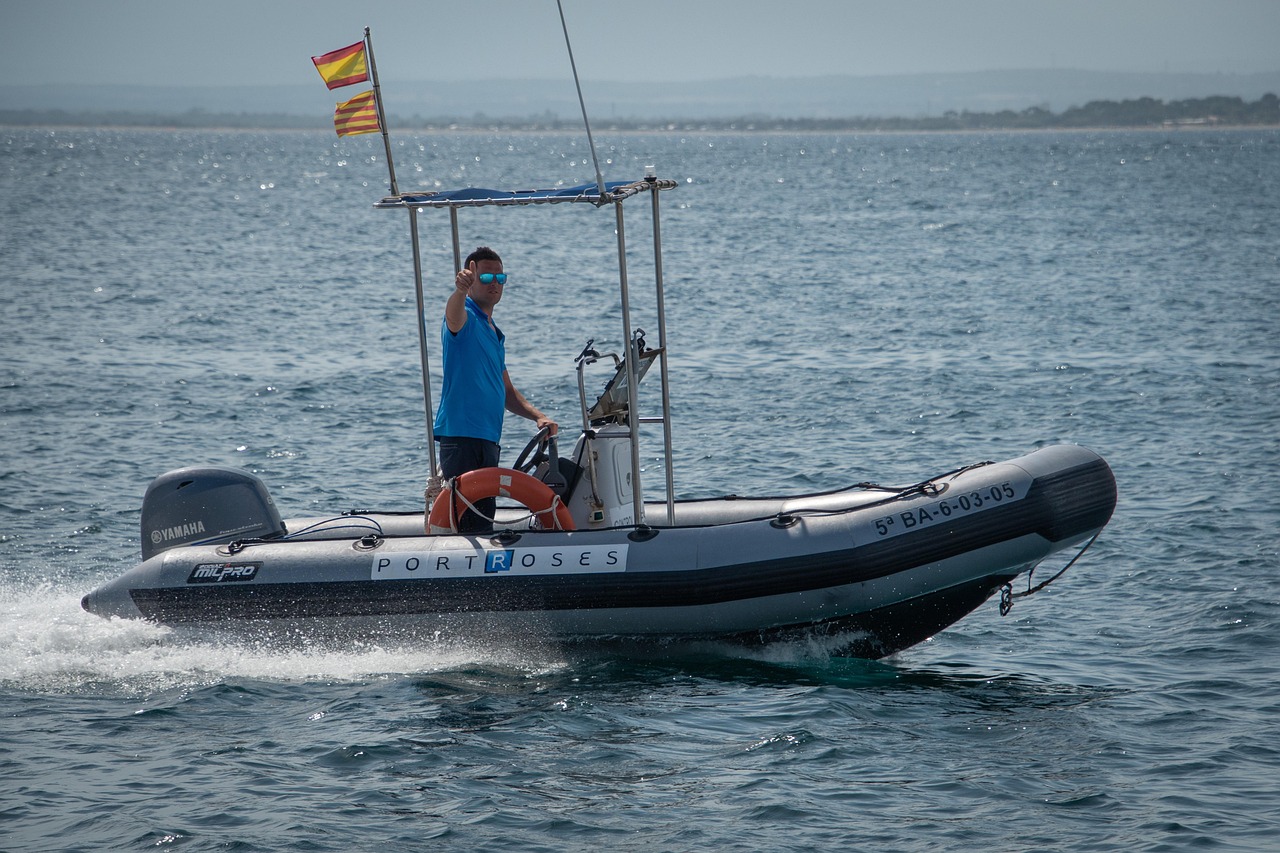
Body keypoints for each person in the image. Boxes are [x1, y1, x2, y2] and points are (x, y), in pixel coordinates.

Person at [434, 246, 558, 532]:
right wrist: (459, 292)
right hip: (462, 436)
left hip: (488, 437)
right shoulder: (464, 315)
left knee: (483, 515)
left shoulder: (493, 331)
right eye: (487, 275)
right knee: (469, 521)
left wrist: (538, 416)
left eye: (500, 278)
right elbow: (452, 316)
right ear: (472, 276)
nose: (494, 283)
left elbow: (507, 392)